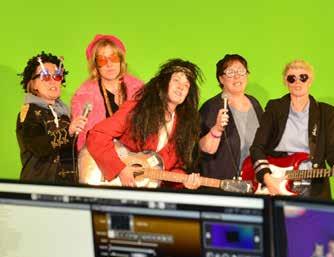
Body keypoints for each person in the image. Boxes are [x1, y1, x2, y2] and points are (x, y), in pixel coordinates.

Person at [86, 59, 202, 189]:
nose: (181, 87)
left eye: (186, 85)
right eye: (176, 80)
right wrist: (120, 169)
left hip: (150, 196)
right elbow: (97, 135)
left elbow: (172, 170)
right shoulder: (136, 109)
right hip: (116, 189)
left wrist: (184, 181)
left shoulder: (183, 127)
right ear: (163, 83)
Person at [249, 59, 334, 199]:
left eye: (303, 77)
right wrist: (266, 177)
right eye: (292, 78)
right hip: (277, 183)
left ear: (310, 81)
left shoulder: (326, 112)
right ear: (285, 82)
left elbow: (332, 150)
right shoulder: (275, 108)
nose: (297, 82)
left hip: (314, 186)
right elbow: (257, 147)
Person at [16, 52, 86, 183]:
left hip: (69, 186)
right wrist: (68, 132)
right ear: (33, 84)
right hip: (39, 186)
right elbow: (38, 146)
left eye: (57, 76)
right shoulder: (29, 112)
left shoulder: (65, 114)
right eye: (45, 76)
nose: (53, 81)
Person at [71, 34, 143, 151]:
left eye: (114, 58)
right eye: (102, 60)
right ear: (95, 65)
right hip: (100, 154)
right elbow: (82, 139)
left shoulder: (139, 90)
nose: (109, 65)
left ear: (121, 60)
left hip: (135, 153)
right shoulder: (83, 97)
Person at [199, 54, 263, 180]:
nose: (237, 76)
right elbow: (202, 149)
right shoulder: (211, 107)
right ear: (221, 79)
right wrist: (217, 129)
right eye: (230, 72)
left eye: (241, 71)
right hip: (221, 183)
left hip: (253, 182)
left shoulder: (254, 103)